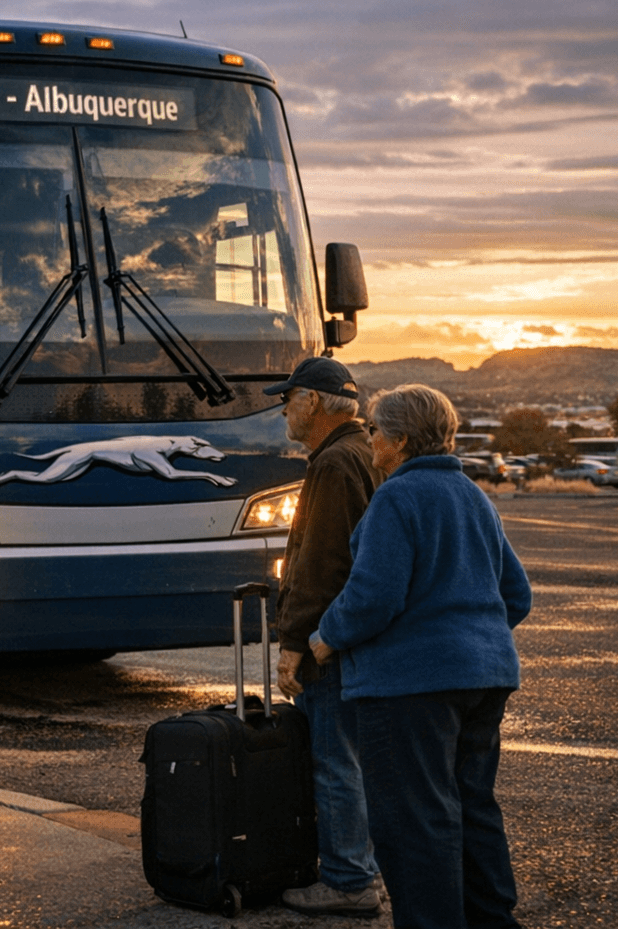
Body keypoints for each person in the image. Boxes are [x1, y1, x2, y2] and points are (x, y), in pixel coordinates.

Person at [311, 384, 531, 929]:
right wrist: (470, 637)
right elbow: (516, 594)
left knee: (414, 821)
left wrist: (326, 636)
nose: (370, 440)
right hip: (485, 677)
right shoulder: (474, 496)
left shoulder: (397, 497)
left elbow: (373, 597)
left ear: (401, 441)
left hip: (408, 688)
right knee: (473, 807)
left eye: (375, 431)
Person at [263, 357, 385, 918]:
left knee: (334, 761)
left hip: (328, 643)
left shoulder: (334, 463)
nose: (283, 411)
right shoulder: (363, 452)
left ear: (312, 402)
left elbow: (322, 564)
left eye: (287, 400)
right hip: (356, 638)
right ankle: (362, 869)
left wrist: (293, 643)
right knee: (354, 760)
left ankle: (348, 879)